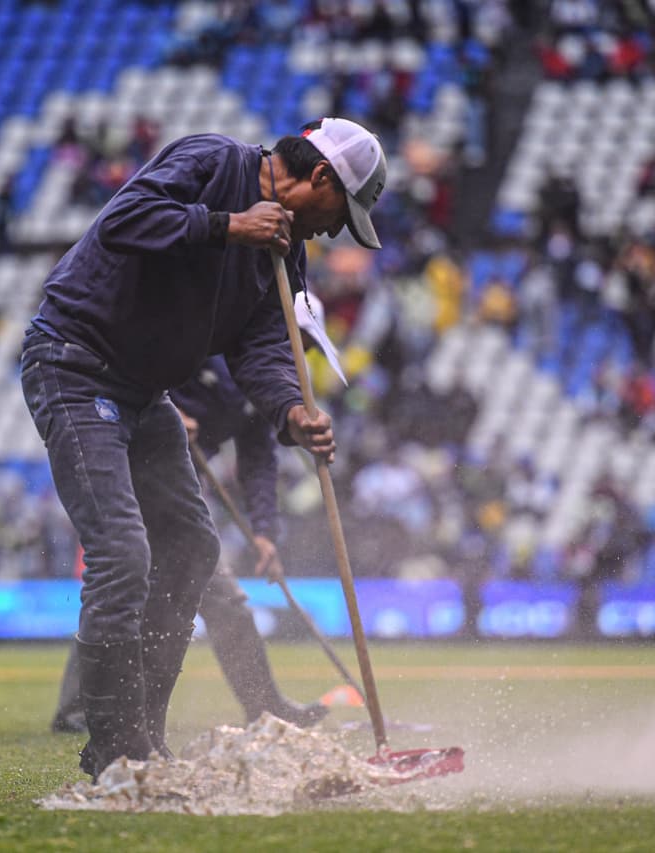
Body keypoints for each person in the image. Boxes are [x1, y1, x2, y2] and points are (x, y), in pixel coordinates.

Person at [20, 118, 386, 778]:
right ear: (320, 178)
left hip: (143, 391)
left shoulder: (286, 253)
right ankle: (114, 749)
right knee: (122, 553)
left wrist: (291, 411)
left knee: (192, 546)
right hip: (75, 363)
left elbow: (263, 347)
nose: (335, 231)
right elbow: (122, 222)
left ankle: (144, 738)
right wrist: (228, 225)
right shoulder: (215, 161)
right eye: (341, 214)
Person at [50, 338, 338, 736]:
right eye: (299, 344)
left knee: (218, 602)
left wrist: (264, 533)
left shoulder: (267, 385)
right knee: (123, 585)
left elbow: (258, 459)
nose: (300, 355)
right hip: (126, 470)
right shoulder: (213, 342)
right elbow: (137, 361)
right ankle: (79, 709)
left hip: (178, 495)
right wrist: (165, 409)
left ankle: (264, 706)